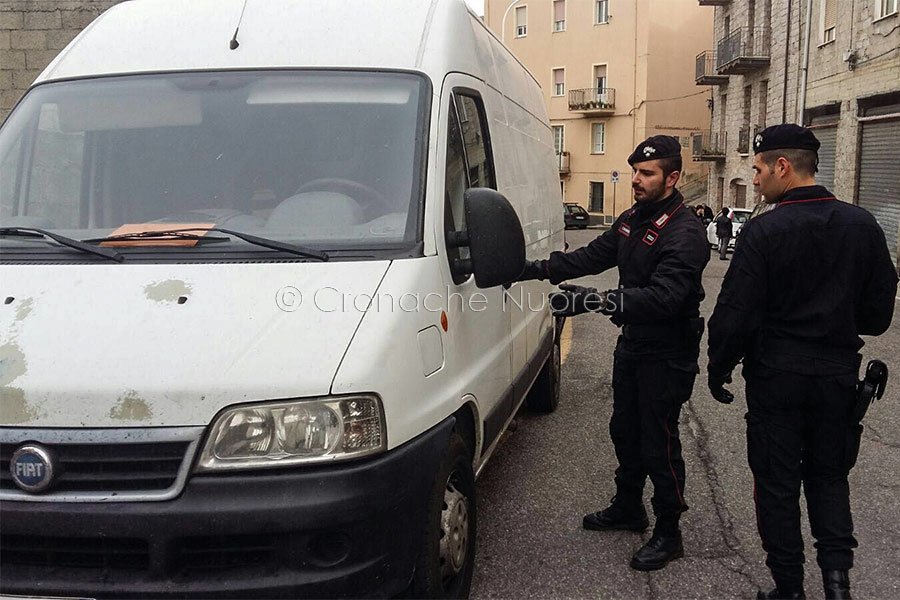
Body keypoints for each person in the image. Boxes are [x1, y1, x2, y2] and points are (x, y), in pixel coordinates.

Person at [707, 124, 898, 600]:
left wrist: (719, 366)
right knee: (829, 479)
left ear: (783, 167)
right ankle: (837, 586)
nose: (755, 180)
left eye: (757, 170)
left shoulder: (764, 230)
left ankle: (788, 588)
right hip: (835, 377)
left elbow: (734, 314)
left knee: (776, 485)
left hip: (777, 378)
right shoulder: (862, 224)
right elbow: (877, 317)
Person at [517, 135, 710, 571]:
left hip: (667, 352)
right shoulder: (633, 219)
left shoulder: (685, 230)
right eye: (636, 173)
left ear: (672, 177)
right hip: (634, 346)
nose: (637, 181)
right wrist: (529, 270)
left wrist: (597, 301)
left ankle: (668, 530)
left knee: (657, 440)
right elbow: (590, 256)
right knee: (625, 429)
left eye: (647, 174)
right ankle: (628, 506)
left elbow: (666, 297)